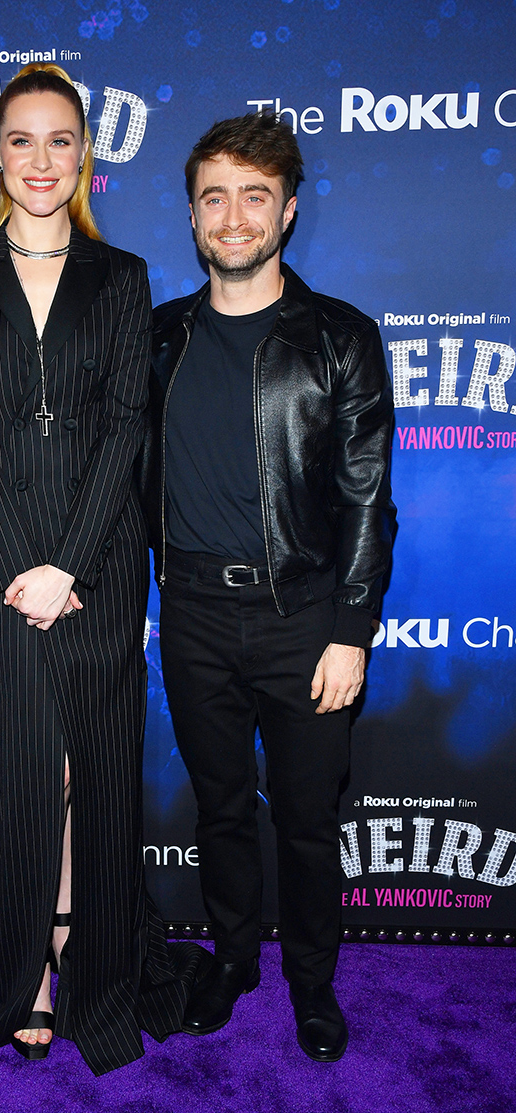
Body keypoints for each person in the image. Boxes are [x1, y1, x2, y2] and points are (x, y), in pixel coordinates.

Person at [0, 64, 204, 1076]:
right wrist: (20, 566)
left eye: (59, 140)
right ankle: (28, 963)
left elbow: (127, 425)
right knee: (33, 758)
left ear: (82, 153)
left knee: (96, 758)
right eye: (19, 140)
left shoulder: (123, 276)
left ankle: (90, 964)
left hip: (100, 562)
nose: (39, 160)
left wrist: (71, 564)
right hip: (5, 563)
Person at [147, 111, 396, 1062]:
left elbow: (369, 498)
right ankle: (233, 959)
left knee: (304, 819)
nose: (234, 215)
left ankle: (313, 985)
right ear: (195, 216)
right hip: (195, 614)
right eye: (216, 196)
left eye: (255, 196)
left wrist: (351, 628)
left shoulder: (340, 338)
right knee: (219, 808)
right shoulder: (159, 337)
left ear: (287, 212)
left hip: (305, 619)